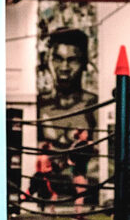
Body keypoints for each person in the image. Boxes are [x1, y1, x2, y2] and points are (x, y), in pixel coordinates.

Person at [37, 29, 98, 198]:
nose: (64, 68)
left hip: (83, 178)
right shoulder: (40, 107)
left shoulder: (93, 106)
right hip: (51, 180)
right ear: (48, 61)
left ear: (85, 62)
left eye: (72, 60)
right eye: (58, 59)